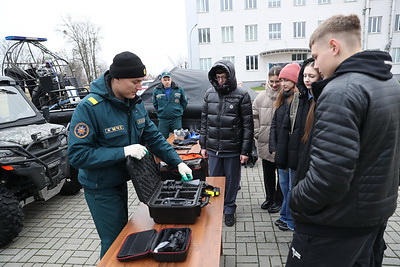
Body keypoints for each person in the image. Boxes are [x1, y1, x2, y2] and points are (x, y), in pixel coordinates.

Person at [287, 14, 400, 266]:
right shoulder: (389, 84)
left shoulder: (341, 90)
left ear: (334, 47)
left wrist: (296, 200)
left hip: (334, 226)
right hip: (371, 219)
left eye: (316, 56)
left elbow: (329, 178)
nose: (315, 66)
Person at [68, 51, 193, 258]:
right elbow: (78, 155)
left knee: (123, 236)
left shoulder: (133, 105)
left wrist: (177, 162)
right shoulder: (90, 108)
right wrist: (123, 151)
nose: (139, 87)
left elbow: (154, 138)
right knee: (113, 241)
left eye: (141, 81)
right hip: (99, 186)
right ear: (116, 78)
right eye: (135, 82)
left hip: (120, 180)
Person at [200, 60, 254, 227]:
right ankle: (216, 207)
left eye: (224, 77)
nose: (221, 81)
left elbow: (247, 125)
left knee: (231, 180)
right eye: (218, 77)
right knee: (215, 180)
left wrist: (245, 151)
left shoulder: (242, 95)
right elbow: (204, 121)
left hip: (232, 148)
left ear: (230, 77)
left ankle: (229, 208)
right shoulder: (209, 94)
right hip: (213, 147)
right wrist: (203, 145)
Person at [274, 58, 322, 230]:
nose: (307, 79)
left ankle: (292, 220)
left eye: (312, 76)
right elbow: (284, 126)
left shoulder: (319, 99)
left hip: (307, 155)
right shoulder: (299, 98)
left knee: (296, 190)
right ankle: (288, 218)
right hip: (293, 152)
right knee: (288, 187)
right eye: (305, 76)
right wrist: (279, 152)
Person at [269, 63, 300, 231]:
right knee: (283, 185)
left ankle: (288, 219)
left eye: (286, 80)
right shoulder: (281, 98)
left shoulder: (298, 99)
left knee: (290, 188)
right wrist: (273, 146)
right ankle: (285, 216)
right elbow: (274, 125)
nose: (283, 83)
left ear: (295, 81)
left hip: (292, 152)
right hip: (281, 151)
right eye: (282, 80)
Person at [252, 66, 283, 212]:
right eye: (272, 81)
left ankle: (278, 200)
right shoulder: (260, 97)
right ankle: (269, 198)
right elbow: (254, 116)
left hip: (281, 144)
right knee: (268, 174)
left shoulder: (286, 96)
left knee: (281, 176)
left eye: (278, 81)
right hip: (264, 142)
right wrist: (257, 133)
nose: (275, 84)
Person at [152, 71, 188, 138]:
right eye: (165, 80)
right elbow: (155, 104)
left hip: (176, 119)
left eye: (168, 79)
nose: (167, 82)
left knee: (178, 138)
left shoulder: (178, 89)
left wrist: (179, 110)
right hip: (163, 120)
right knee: (162, 139)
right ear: (161, 80)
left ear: (171, 79)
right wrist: (162, 111)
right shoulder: (156, 90)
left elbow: (184, 102)